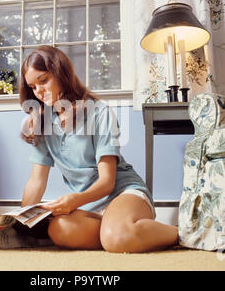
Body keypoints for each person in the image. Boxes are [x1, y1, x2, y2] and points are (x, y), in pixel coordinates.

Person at [19, 45, 178, 253]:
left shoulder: (99, 112)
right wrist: (18, 222)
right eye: (32, 86)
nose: (38, 91)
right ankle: (112, 232)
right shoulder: (43, 123)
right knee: (59, 230)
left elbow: (107, 182)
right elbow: (36, 181)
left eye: (43, 80)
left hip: (123, 193)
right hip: (88, 208)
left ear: (61, 74)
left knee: (118, 238)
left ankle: (179, 232)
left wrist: (74, 200)